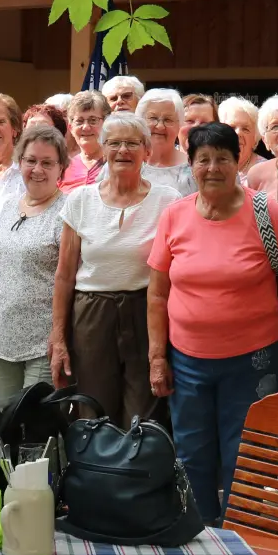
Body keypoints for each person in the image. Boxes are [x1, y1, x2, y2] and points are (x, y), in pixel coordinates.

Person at [148, 122, 278, 523]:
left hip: (252, 360)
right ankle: (199, 535)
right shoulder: (174, 216)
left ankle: (239, 540)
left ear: (237, 162)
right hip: (187, 361)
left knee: (244, 451)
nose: (213, 168)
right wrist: (157, 358)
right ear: (191, 166)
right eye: (203, 159)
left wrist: (262, 302)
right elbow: (156, 294)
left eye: (222, 158)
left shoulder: (264, 212)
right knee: (191, 452)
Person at [51, 113, 181, 424]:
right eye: (114, 143)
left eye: (132, 143)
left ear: (147, 151)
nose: (123, 150)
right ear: (104, 148)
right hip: (92, 314)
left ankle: (138, 458)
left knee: (144, 411)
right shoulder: (81, 200)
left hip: (146, 311)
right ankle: (96, 459)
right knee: (94, 411)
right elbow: (65, 275)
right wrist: (58, 338)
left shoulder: (168, 200)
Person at [0, 127, 68, 406]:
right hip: (2, 336)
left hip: (43, 341)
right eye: (30, 160)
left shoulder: (67, 211)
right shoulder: (9, 206)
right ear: (19, 162)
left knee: (36, 422)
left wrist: (59, 336)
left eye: (47, 163)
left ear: (61, 168)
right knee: (7, 419)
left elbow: (69, 279)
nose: (37, 169)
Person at [135, 88, 195, 195]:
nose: (160, 126)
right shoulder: (125, 162)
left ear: (179, 124)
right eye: (153, 118)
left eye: (168, 120)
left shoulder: (194, 168)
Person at [62, 91, 110, 190]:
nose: (86, 127)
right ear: (70, 128)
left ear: (106, 124)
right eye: (79, 121)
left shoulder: (116, 162)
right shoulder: (62, 168)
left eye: (93, 120)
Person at [218, 96, 263, 181]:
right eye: (232, 127)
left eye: (245, 129)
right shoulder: (211, 167)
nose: (238, 133)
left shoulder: (266, 172)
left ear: (255, 138)